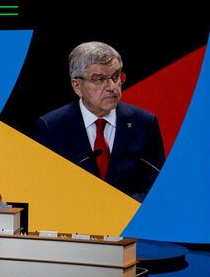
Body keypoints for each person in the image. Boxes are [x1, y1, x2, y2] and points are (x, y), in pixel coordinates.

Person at [35, 41, 166, 201]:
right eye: (99, 79)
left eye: (116, 77)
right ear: (77, 86)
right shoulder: (51, 127)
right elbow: (43, 188)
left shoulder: (145, 123)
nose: (112, 87)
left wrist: (123, 209)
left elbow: (158, 186)